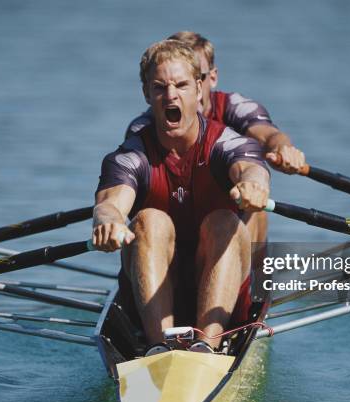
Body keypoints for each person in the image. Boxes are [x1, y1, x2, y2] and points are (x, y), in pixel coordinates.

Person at [92, 40, 270, 353]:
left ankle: (207, 347)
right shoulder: (130, 156)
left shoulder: (227, 143)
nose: (170, 95)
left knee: (224, 221)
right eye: (159, 87)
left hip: (223, 295)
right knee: (149, 221)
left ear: (199, 88)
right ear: (147, 94)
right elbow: (110, 204)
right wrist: (109, 222)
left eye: (181, 85)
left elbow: (251, 168)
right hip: (154, 292)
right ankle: (160, 347)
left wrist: (253, 186)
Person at [126, 31, 305, 243]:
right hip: (170, 228)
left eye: (193, 79)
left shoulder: (236, 108)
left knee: (257, 208)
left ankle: (254, 274)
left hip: (226, 222)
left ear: (210, 78)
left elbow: (268, 136)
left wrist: (283, 149)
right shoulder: (144, 128)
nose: (177, 93)